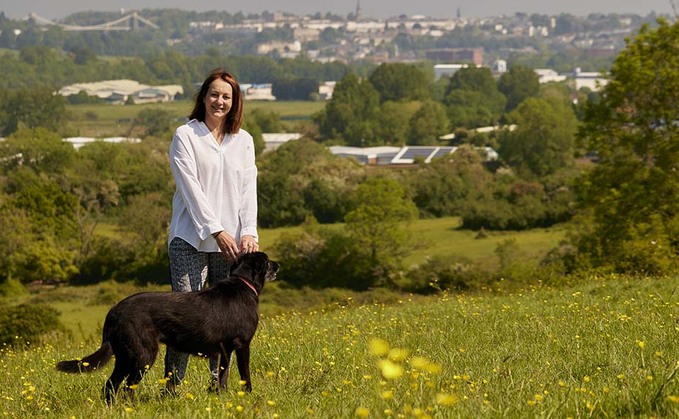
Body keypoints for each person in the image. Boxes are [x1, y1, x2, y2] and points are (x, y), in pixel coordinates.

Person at [164, 67, 259, 392]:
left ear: (235, 103)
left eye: (226, 97)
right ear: (203, 97)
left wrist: (248, 231)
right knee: (184, 318)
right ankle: (171, 387)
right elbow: (191, 190)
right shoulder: (185, 136)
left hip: (231, 245)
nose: (220, 101)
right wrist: (216, 230)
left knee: (225, 322)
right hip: (191, 238)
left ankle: (217, 387)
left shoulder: (243, 141)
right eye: (214, 94)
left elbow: (248, 189)